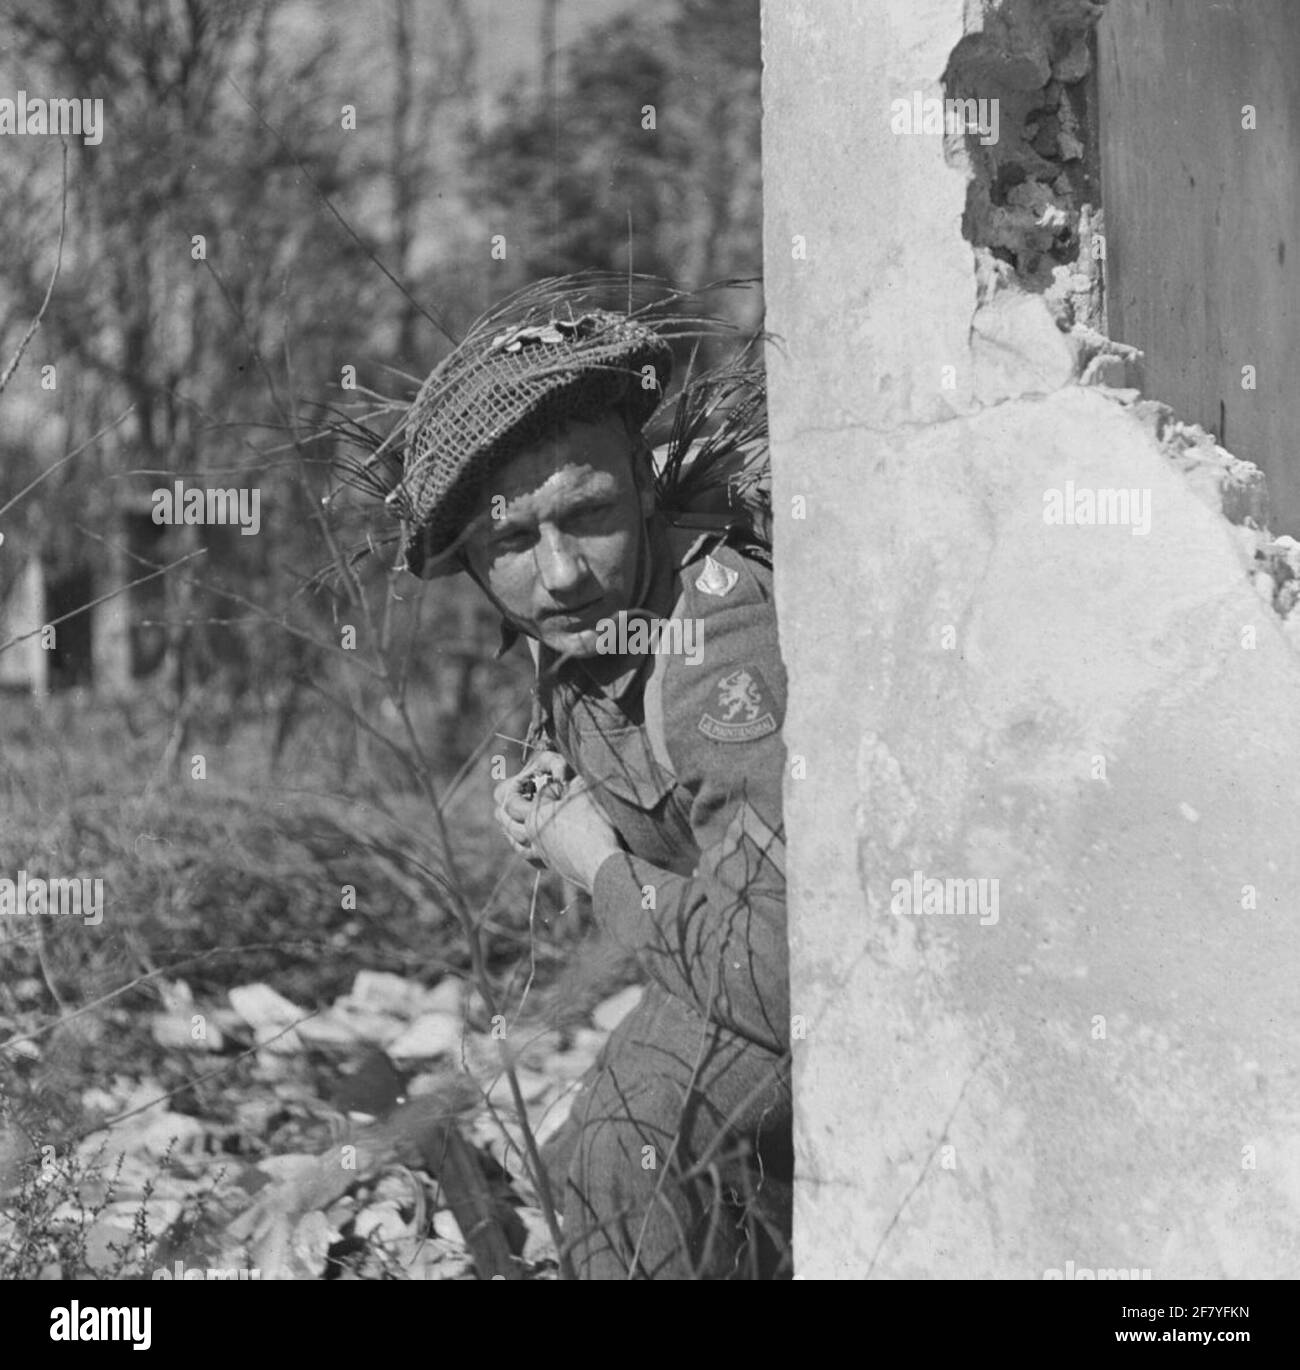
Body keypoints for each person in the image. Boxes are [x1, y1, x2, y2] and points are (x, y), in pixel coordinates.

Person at [376, 299, 791, 1278]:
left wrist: (591, 855)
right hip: (732, 974)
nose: (559, 574)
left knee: (618, 1158)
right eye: (511, 541)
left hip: (813, 990)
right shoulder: (586, 636)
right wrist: (562, 798)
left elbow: (772, 980)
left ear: (644, 487)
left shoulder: (716, 642)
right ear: (471, 564)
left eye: (590, 514)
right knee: (573, 1161)